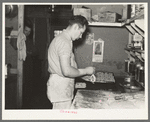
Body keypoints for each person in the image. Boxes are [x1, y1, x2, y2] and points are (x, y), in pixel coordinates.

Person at [47, 15, 95, 109]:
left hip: (61, 88)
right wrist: (86, 71)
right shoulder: (64, 41)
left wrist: (82, 76)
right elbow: (67, 71)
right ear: (76, 27)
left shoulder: (63, 39)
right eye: (81, 33)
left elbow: (66, 68)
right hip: (60, 90)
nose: (80, 36)